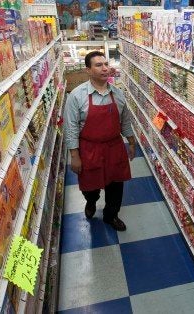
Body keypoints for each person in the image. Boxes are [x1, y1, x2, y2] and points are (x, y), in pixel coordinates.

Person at [64, 51, 135, 231]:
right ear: (88, 70)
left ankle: (111, 216)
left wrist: (131, 142)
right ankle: (91, 200)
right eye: (98, 65)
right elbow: (71, 127)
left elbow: (125, 120)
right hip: (89, 148)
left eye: (105, 64)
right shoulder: (77, 96)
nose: (105, 68)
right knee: (90, 186)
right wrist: (74, 155)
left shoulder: (118, 94)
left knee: (116, 185)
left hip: (114, 146)